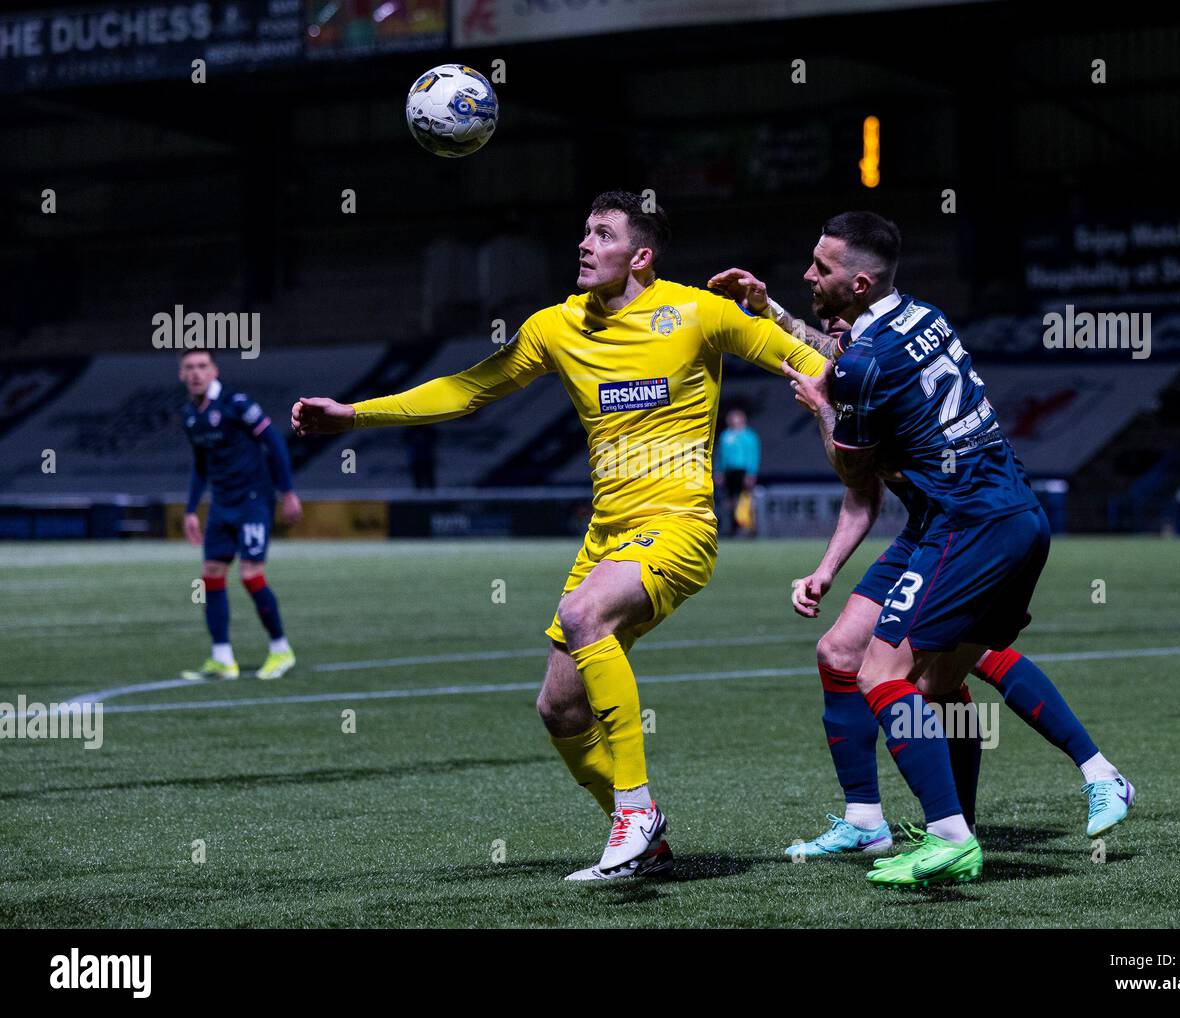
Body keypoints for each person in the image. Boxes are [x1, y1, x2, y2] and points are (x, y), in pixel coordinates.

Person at [291, 191, 828, 881]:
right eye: (583, 231)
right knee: (560, 707)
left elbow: (808, 361)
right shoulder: (556, 326)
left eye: (601, 234)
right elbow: (468, 388)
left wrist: (844, 407)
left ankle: (635, 811)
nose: (583, 244)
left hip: (679, 528)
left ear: (640, 256)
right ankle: (646, 839)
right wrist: (355, 416)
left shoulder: (699, 311)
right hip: (607, 538)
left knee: (582, 614)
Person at [703, 280, 1132, 860]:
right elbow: (865, 497)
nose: (829, 338)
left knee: (926, 671)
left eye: (822, 275)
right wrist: (826, 571)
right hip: (936, 527)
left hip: (968, 525)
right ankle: (873, 820)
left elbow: (856, 480)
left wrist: (822, 411)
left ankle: (976, 821)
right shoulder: (891, 346)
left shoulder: (869, 382)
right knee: (847, 655)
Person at [178, 351, 302, 681]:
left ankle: (280, 649)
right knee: (211, 574)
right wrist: (190, 509)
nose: (196, 373)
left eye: (202, 366)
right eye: (189, 367)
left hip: (252, 501)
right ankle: (222, 658)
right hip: (221, 504)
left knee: (250, 575)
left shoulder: (237, 404)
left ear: (214, 371)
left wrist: (287, 492)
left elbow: (274, 443)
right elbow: (200, 466)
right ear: (181, 375)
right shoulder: (190, 414)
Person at [716, 407, 760, 536]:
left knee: (746, 498)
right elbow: (721, 455)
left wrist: (751, 473)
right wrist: (719, 471)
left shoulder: (749, 436)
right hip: (729, 472)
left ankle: (750, 527)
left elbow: (753, 455)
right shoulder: (725, 435)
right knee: (729, 500)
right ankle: (732, 527)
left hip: (743, 471)